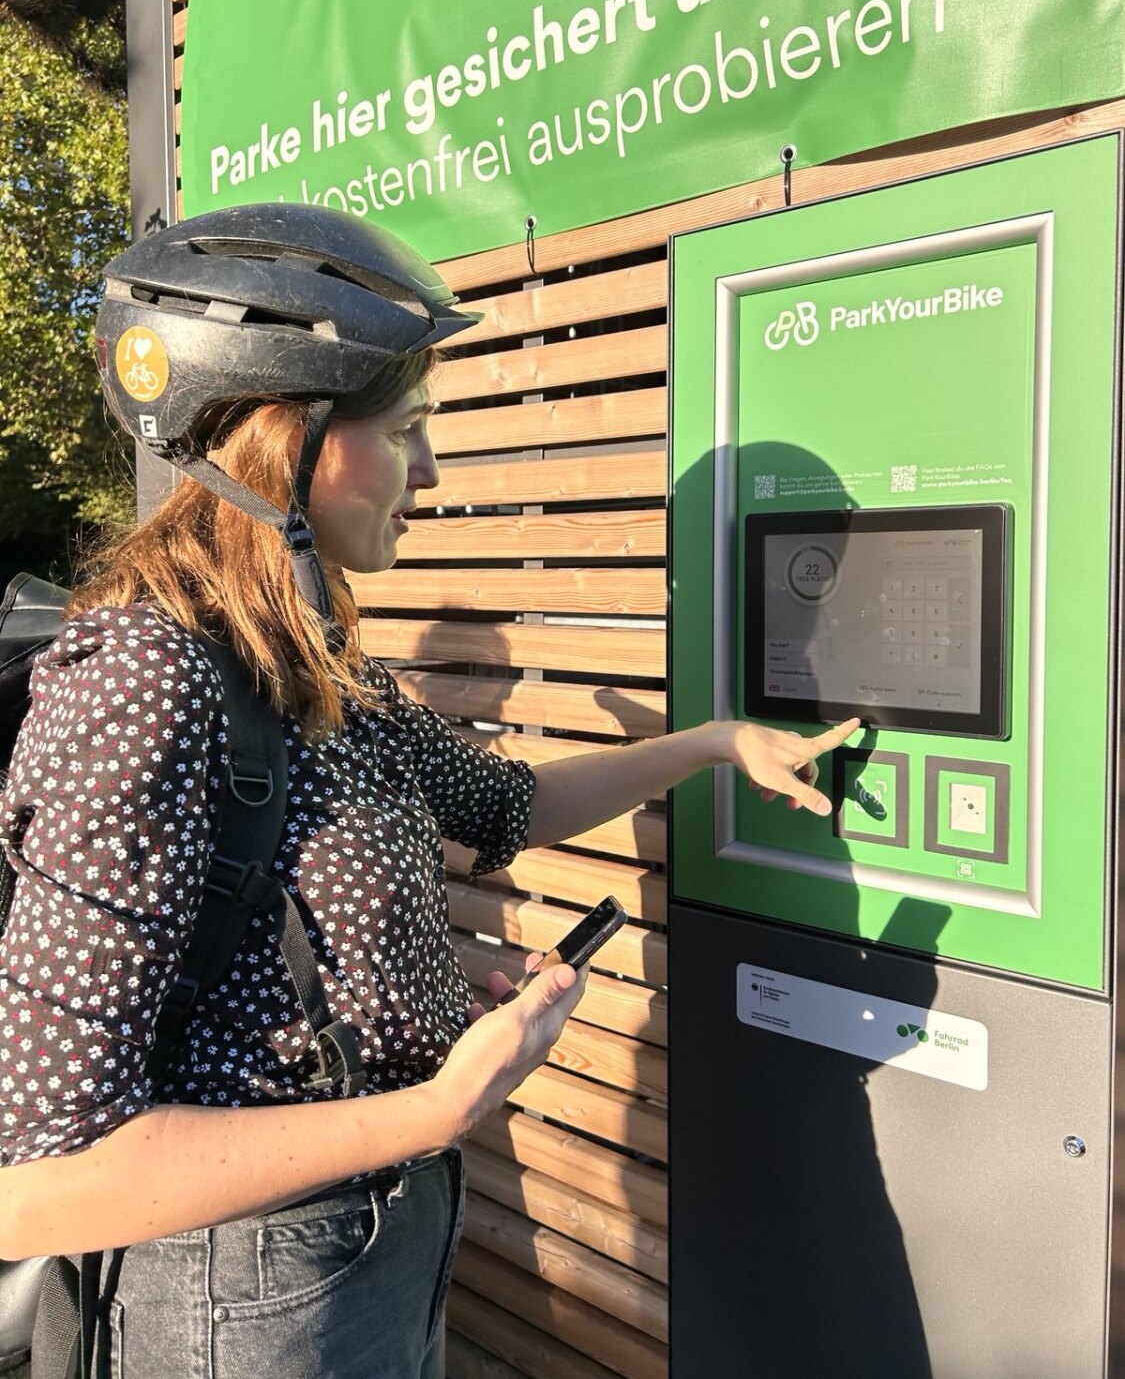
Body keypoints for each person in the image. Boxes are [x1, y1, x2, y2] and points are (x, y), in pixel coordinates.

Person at [0, 205, 857, 1378]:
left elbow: (507, 808)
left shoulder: (324, 658)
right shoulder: (147, 677)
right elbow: (43, 1179)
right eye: (406, 432)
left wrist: (711, 745)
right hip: (244, 1294)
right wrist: (438, 1108)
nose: (432, 471)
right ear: (284, 440)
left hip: (390, 1236)